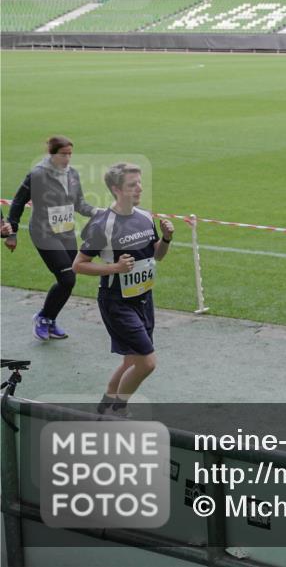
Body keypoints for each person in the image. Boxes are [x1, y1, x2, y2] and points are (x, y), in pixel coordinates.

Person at [72, 163, 173, 416]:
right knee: (147, 363)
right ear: (116, 189)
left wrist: (167, 239)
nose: (139, 188)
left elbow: (157, 256)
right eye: (132, 184)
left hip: (144, 299)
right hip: (116, 302)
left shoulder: (145, 217)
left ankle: (106, 403)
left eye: (139, 182)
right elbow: (79, 265)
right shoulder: (102, 225)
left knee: (131, 359)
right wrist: (115, 268)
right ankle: (119, 409)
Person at [5, 135, 101, 341]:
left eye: (70, 154)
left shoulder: (73, 174)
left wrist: (98, 212)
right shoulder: (37, 175)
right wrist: (12, 233)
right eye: (63, 154)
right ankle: (42, 318)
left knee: (69, 279)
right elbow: (18, 203)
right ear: (52, 154)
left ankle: (48, 319)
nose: (67, 159)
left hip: (66, 232)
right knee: (67, 277)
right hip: (43, 233)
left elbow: (80, 204)